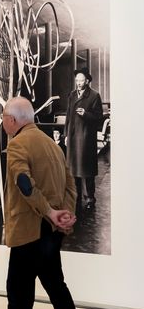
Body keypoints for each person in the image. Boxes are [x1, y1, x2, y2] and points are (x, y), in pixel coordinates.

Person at [0, 96, 87, 309]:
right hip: (52, 232)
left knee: (18, 292)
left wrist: (49, 212)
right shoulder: (53, 146)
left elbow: (23, 182)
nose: (3, 121)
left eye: (4, 116)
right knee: (56, 285)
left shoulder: (17, 144)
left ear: (13, 120)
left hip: (31, 231)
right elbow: (70, 185)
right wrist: (66, 215)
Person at [64, 67, 103, 210]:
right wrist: (66, 135)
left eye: (81, 80)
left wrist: (86, 114)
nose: (78, 83)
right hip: (73, 138)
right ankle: (76, 197)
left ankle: (89, 199)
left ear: (87, 81)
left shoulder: (94, 96)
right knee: (73, 170)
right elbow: (68, 116)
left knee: (86, 171)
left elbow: (99, 117)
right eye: (77, 80)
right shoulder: (72, 95)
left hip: (86, 139)